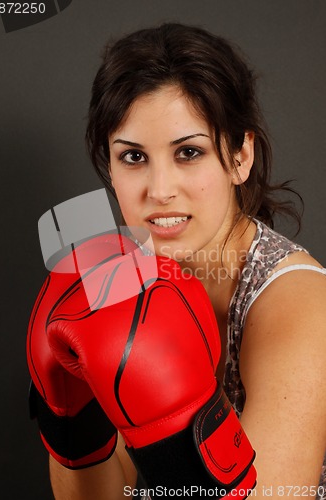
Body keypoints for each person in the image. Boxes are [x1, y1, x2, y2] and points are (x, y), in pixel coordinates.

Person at [27, 23, 326, 499]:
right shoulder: (127, 287)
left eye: (189, 152)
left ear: (239, 156)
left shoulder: (300, 304)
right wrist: (71, 420)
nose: (159, 191)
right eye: (133, 157)